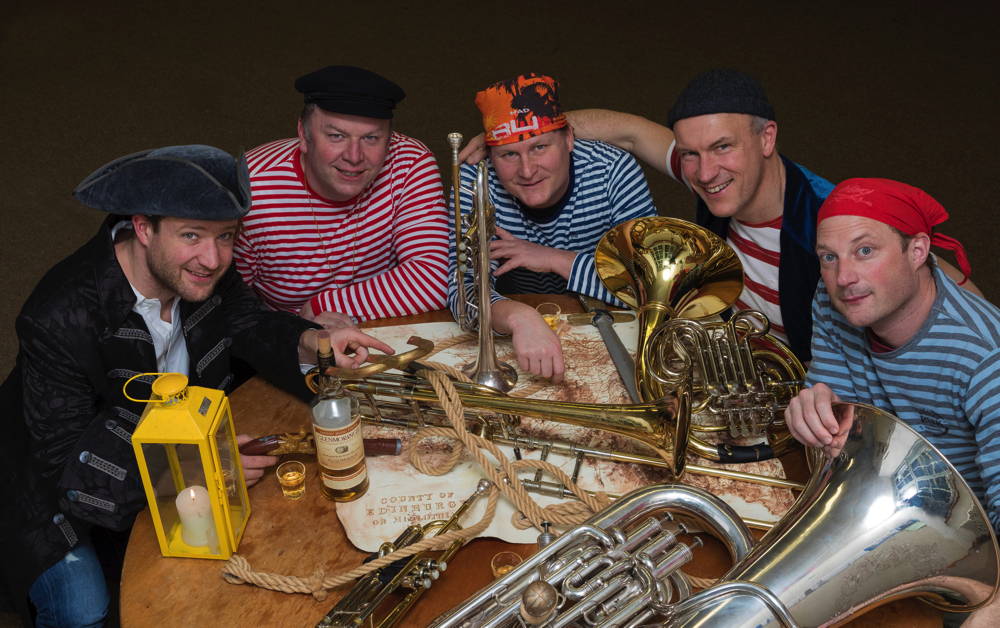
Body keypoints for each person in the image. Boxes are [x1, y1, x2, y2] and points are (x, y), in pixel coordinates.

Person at [0, 145, 393, 627]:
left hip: (175, 444)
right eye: (191, 235)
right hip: (50, 488)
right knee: (85, 611)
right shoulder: (56, 316)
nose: (213, 258)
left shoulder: (199, 269)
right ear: (143, 228)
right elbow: (66, 461)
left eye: (226, 236)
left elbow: (246, 321)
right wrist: (199, 469)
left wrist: (311, 340)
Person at [460, 69, 979, 362]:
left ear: (767, 138)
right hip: (737, 360)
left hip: (814, 391)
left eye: (723, 146)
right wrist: (525, 131)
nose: (706, 171)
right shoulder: (711, 178)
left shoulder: (831, 218)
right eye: (690, 153)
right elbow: (631, 131)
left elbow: (947, 289)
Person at [784, 178, 998, 627]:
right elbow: (842, 433)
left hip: (972, 562)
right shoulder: (836, 299)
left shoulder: (984, 359)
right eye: (828, 257)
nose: (844, 278)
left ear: (917, 251)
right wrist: (816, 411)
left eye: (865, 251)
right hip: (883, 520)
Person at [450, 73, 657, 382]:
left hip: (612, 330)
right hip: (520, 331)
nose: (527, 170)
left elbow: (652, 286)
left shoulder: (614, 172)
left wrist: (554, 259)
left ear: (569, 138)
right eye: (509, 154)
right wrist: (519, 317)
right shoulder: (474, 179)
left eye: (540, 147)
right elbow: (461, 292)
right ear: (490, 155)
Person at [235, 65, 450, 325]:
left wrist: (323, 306)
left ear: (389, 140)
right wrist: (300, 332)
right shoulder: (251, 186)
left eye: (371, 138)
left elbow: (435, 278)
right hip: (282, 336)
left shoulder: (410, 162)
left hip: (385, 328)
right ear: (303, 134)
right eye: (336, 136)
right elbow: (224, 307)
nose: (354, 157)